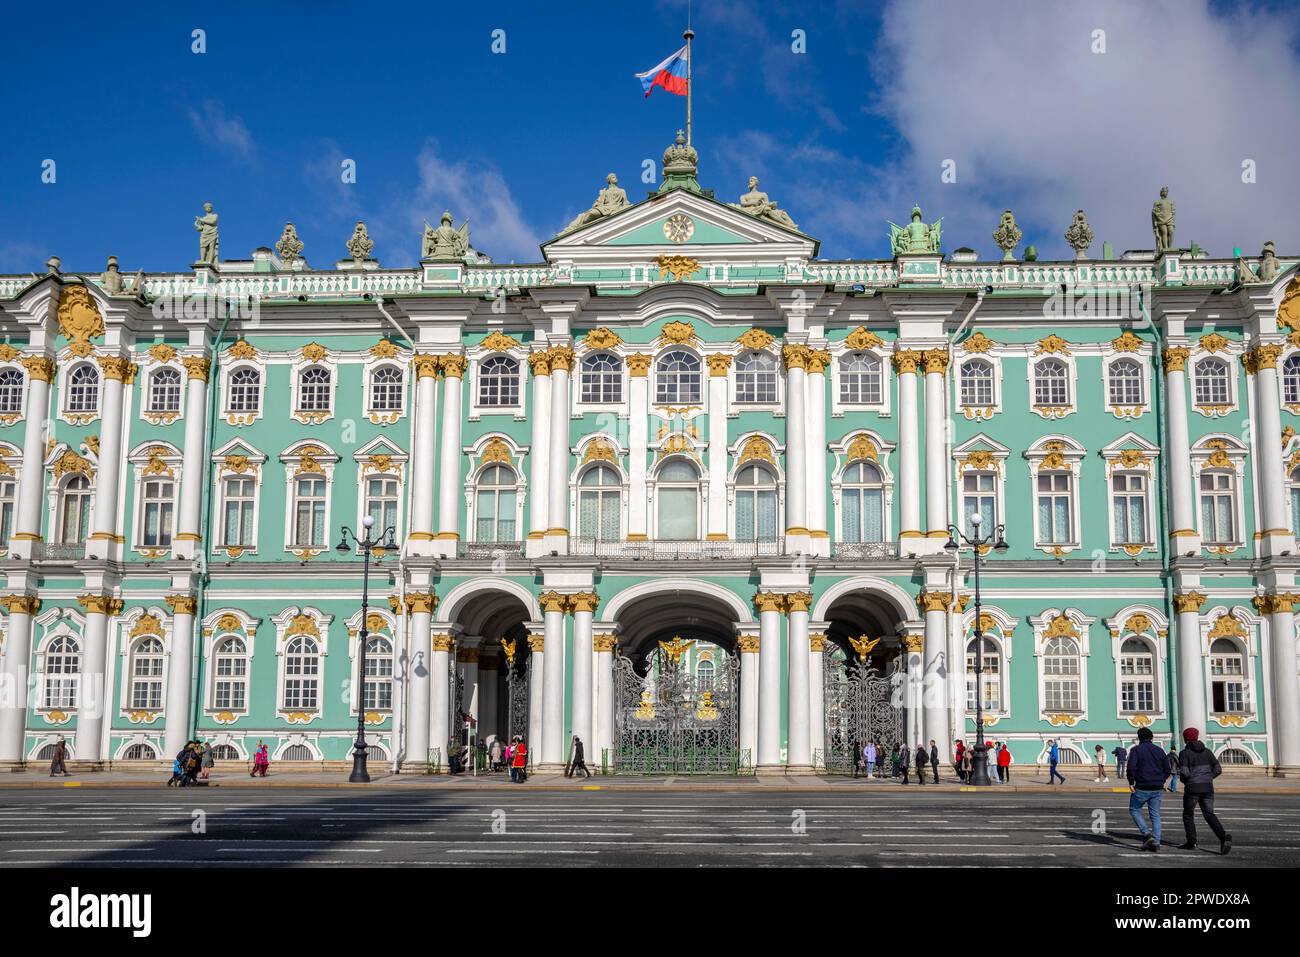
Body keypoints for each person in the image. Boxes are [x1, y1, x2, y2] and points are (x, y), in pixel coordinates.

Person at [1177, 728, 1231, 854]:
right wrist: (1208, 778)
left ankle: (1192, 842)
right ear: (1197, 737)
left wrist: (1187, 780)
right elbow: (1218, 769)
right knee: (1209, 814)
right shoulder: (1207, 752)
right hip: (1207, 787)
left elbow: (1184, 772)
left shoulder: (1184, 753)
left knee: (1188, 815)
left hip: (1192, 788)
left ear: (1186, 738)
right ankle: (1223, 837)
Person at [1126, 726, 1169, 852]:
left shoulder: (1136, 750)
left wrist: (1131, 781)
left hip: (1142, 786)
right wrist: (1161, 780)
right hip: (1157, 787)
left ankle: (1146, 833)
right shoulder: (1160, 750)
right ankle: (1156, 842)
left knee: (1134, 809)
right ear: (1152, 737)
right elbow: (1167, 769)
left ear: (1139, 738)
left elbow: (1131, 768)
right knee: (1155, 815)